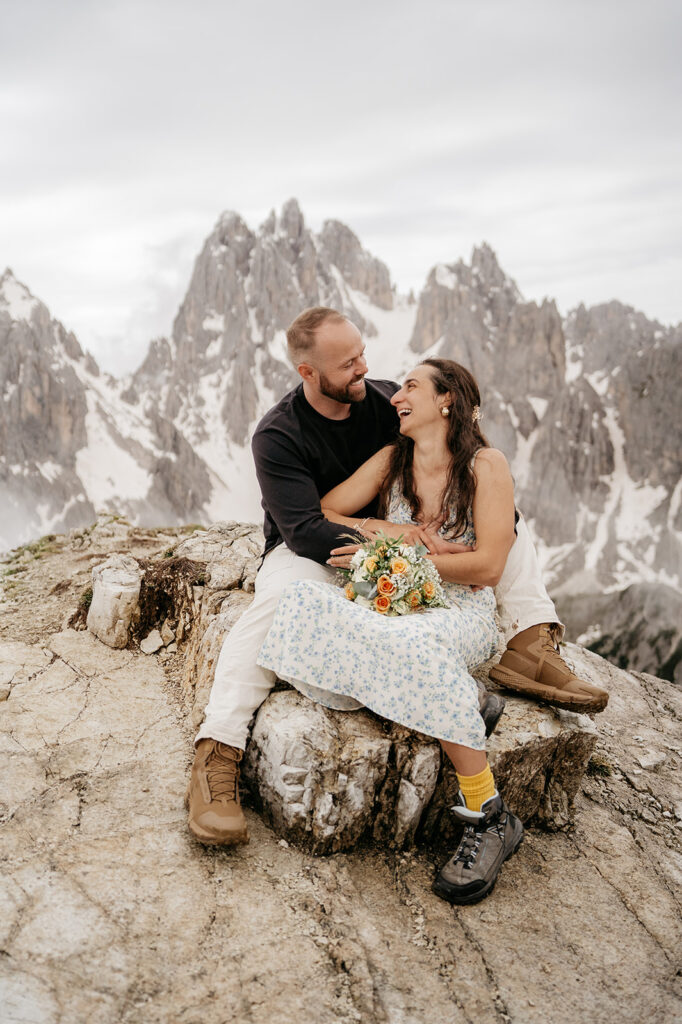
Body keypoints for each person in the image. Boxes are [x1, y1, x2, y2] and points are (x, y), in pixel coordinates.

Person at [186, 307, 608, 853]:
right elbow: (308, 527)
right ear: (308, 372)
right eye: (349, 363)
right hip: (315, 546)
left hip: (408, 553)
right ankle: (218, 749)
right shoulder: (279, 434)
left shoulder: (388, 403)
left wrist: (468, 532)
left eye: (363, 354)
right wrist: (393, 542)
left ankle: (530, 639)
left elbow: (465, 468)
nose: (366, 369)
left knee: (507, 528)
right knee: (280, 601)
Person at [259, 358, 524, 903]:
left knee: (415, 645)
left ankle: (489, 815)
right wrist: (393, 536)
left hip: (457, 610)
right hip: (397, 600)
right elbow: (329, 508)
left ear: (446, 400)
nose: (396, 397)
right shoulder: (391, 460)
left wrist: (420, 565)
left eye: (410, 387)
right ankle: (464, 696)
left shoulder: (485, 465)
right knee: (304, 600)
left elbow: (489, 567)